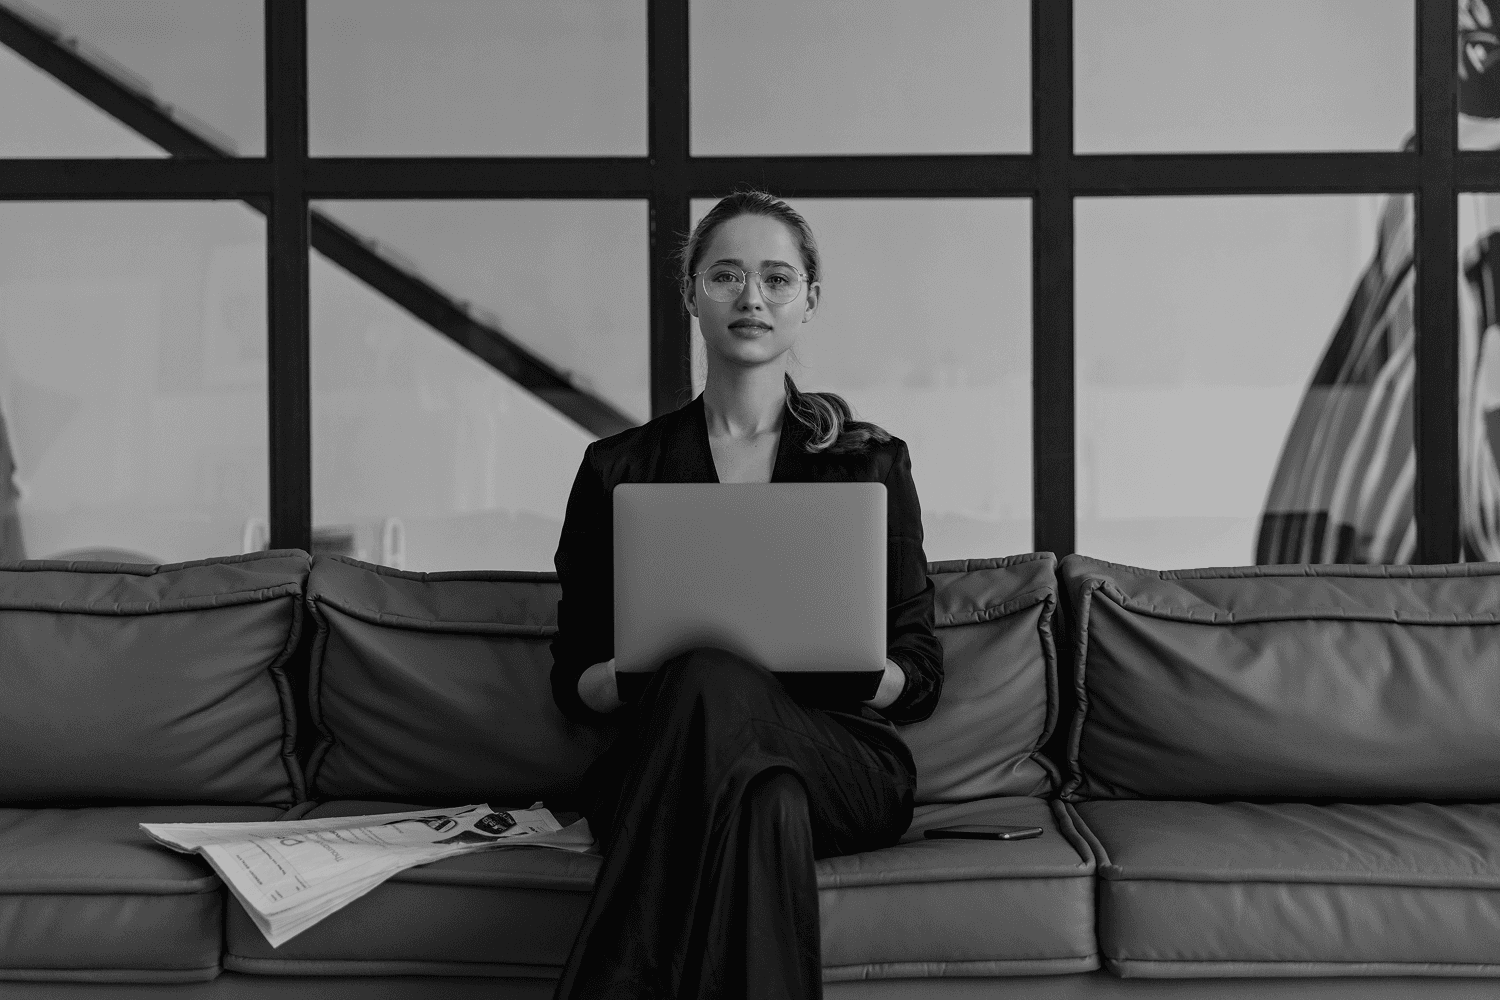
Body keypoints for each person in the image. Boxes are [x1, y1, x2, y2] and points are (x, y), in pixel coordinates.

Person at [548, 190, 943, 1000]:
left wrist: (848, 659)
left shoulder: (868, 463)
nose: (752, 297)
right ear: (691, 294)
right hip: (672, 753)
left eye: (776, 277)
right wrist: (644, 665)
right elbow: (575, 680)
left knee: (708, 676)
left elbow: (920, 672)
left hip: (840, 755)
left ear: (809, 301)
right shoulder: (616, 469)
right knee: (764, 797)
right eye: (725, 275)